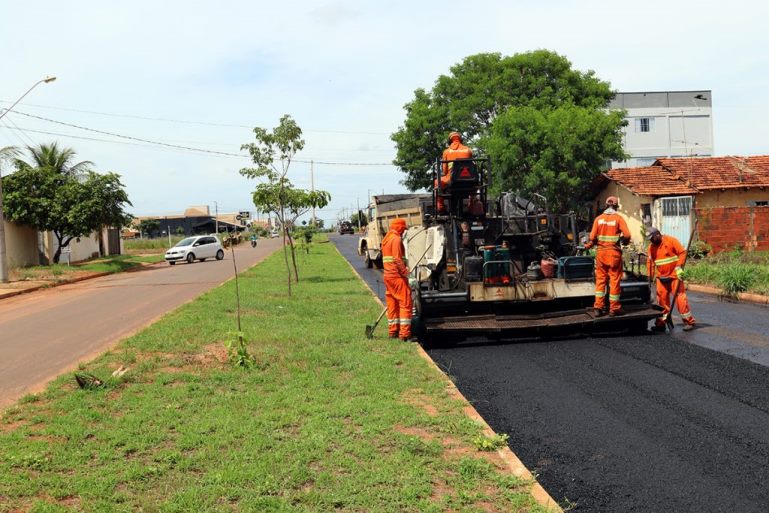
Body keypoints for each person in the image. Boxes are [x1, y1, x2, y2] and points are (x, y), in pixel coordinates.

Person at [584, 196, 631, 316]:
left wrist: (589, 245)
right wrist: (624, 241)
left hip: (601, 254)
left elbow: (592, 237)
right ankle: (614, 309)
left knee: (600, 281)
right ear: (616, 206)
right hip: (613, 254)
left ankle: (598, 308)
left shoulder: (598, 219)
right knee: (614, 281)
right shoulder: (618, 219)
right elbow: (627, 235)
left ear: (606, 206)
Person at [646, 227, 696, 331]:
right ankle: (661, 323)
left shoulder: (671, 241)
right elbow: (650, 263)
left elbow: (682, 253)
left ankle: (689, 321)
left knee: (680, 298)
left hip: (674, 276)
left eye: (652, 238)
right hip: (661, 277)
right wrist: (649, 276)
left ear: (658, 234)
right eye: (650, 239)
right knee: (662, 301)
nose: (651, 241)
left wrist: (678, 267)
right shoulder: (651, 248)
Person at [381, 218, 413, 341]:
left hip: (388, 277)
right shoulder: (396, 239)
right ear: (399, 228)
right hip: (397, 277)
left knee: (392, 303)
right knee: (405, 303)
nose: (404, 232)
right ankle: (404, 335)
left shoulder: (386, 239)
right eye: (403, 229)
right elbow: (397, 259)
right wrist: (406, 273)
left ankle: (393, 331)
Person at [435, 131, 473, 212]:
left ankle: (440, 207)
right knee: (476, 184)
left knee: (437, 182)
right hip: (469, 181)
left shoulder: (446, 152)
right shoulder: (468, 150)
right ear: (461, 140)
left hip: (452, 180)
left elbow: (445, 171)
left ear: (449, 141)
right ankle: (471, 204)